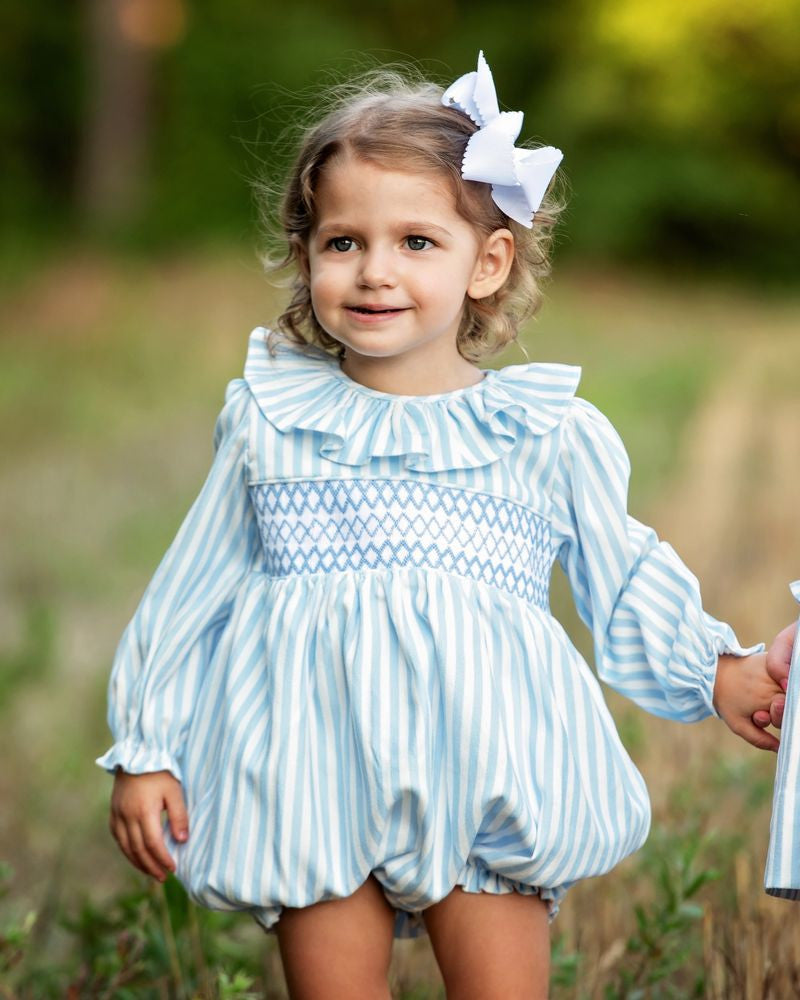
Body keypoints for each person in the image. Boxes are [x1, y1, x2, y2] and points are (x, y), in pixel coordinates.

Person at [96, 51, 792, 1000]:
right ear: (306, 255)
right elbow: (193, 586)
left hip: (486, 776)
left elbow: (621, 576)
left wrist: (716, 670)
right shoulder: (270, 421)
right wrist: (146, 746)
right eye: (344, 242)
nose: (375, 271)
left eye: (417, 242)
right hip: (314, 771)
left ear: (488, 261)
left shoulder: (546, 436)